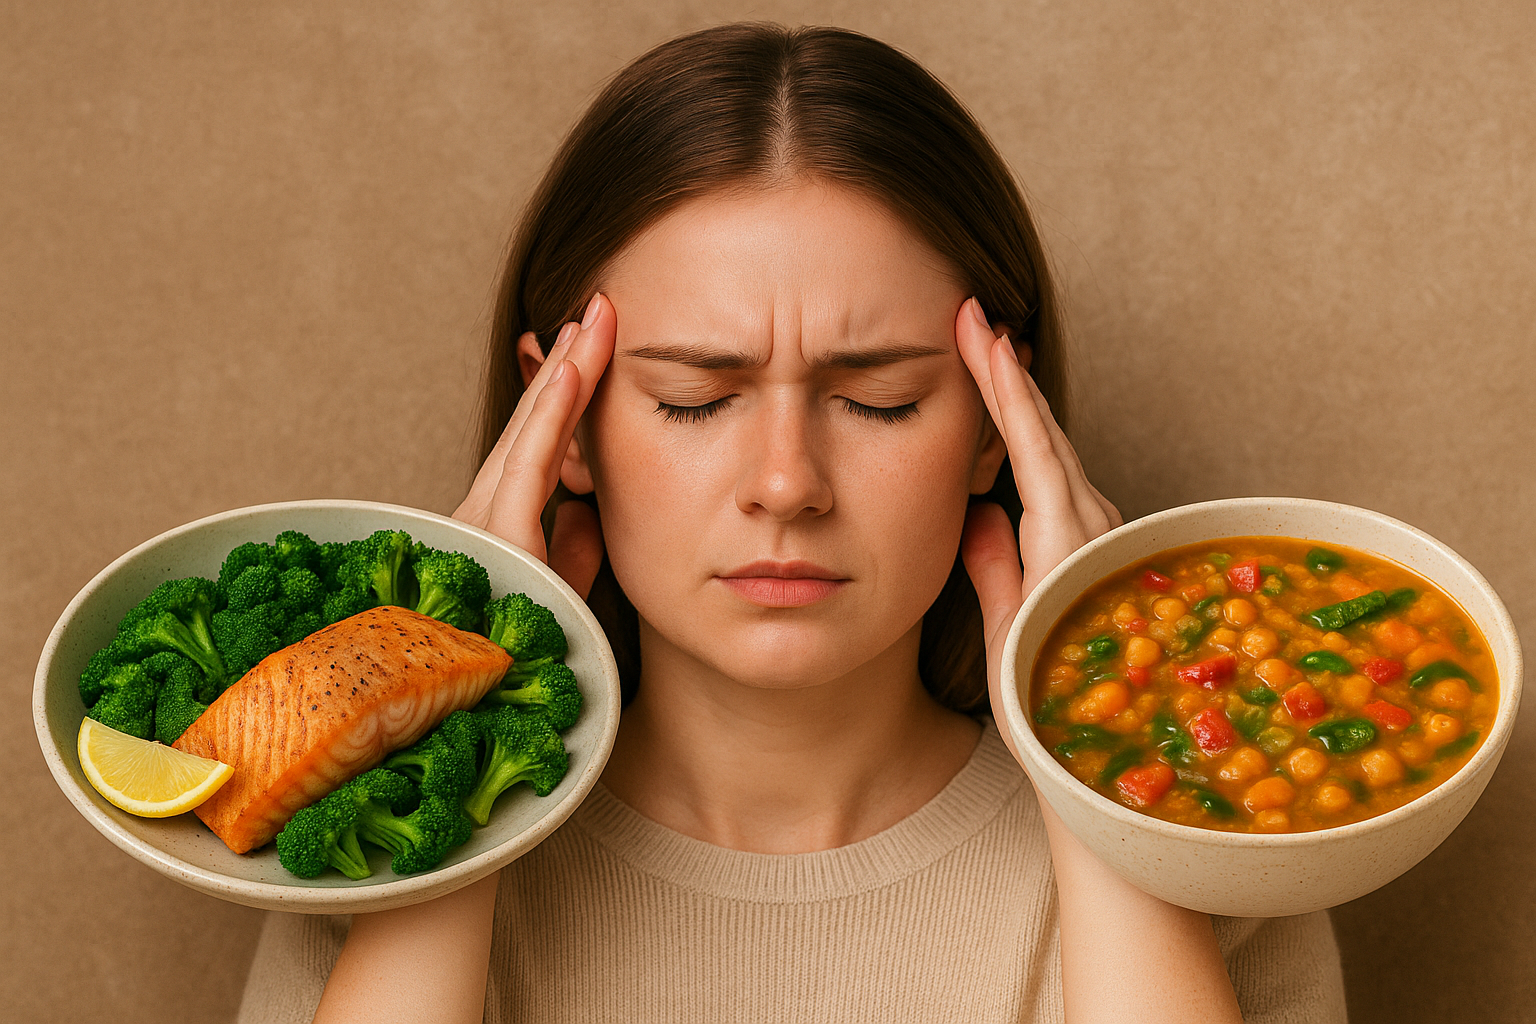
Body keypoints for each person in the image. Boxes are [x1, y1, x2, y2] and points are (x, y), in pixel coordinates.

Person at [238, 23, 1347, 1023]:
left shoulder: (1219, 856)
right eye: (694, 398)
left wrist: (1096, 761)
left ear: (996, 426)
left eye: (880, 400)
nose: (786, 483)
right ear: (560, 426)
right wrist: (456, 756)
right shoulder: (363, 847)